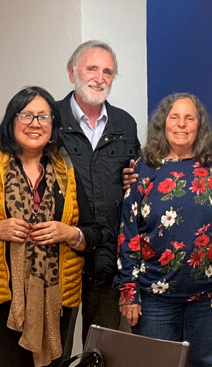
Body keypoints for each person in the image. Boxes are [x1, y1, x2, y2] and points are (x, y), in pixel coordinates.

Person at [0, 86, 101, 367]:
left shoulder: (66, 171)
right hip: (0, 303)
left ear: (54, 125)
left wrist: (69, 233)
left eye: (44, 117)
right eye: (26, 115)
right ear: (11, 121)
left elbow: (93, 233)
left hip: (56, 302)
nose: (35, 124)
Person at [117, 93, 212, 367]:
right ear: (163, 123)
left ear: (200, 126)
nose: (182, 124)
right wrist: (129, 292)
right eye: (174, 117)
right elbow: (128, 236)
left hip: (207, 300)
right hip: (153, 301)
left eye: (190, 118)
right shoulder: (144, 168)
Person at [59, 40, 140, 354]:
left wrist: (134, 179)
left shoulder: (125, 124)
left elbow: (135, 178)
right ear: (72, 73)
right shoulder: (49, 118)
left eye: (108, 71)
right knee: (55, 351)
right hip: (61, 255)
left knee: (103, 352)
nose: (100, 77)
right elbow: (13, 157)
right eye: (92, 68)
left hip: (109, 256)